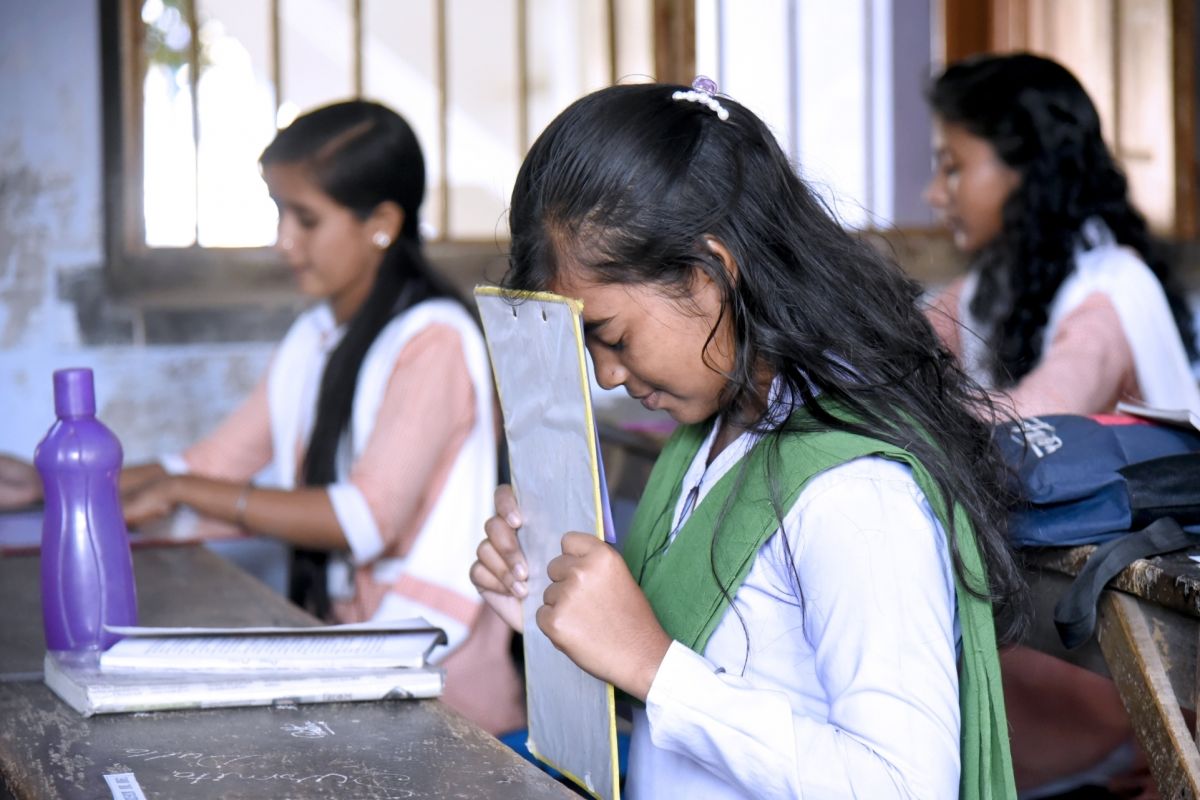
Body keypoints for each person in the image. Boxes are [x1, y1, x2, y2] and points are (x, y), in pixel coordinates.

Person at [471, 80, 1025, 798]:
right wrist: (552, 612)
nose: (606, 374)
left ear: (709, 276)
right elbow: (684, 706)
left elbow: (906, 784)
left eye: (612, 336)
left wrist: (653, 666)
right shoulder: (706, 441)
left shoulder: (856, 491)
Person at [114, 100, 523, 735]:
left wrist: (182, 489)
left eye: (305, 219)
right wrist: (60, 481)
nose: (284, 241)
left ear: (381, 224)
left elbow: (365, 519)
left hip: (449, 690)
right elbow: (209, 465)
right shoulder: (317, 334)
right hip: (362, 652)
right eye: (279, 213)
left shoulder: (434, 340)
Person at [923, 52, 1199, 798]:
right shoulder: (995, 284)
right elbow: (899, 353)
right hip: (1069, 624)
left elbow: (1029, 419)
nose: (935, 193)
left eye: (954, 167)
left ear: (1026, 171)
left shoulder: (1111, 293)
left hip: (1119, 654)